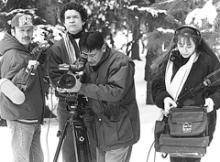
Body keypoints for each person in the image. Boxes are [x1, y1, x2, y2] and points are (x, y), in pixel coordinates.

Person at [151, 25, 220, 162]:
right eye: (181, 45)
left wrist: (213, 100)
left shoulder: (208, 61)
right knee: (175, 155)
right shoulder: (169, 60)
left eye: (189, 45)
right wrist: (164, 98)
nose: (184, 49)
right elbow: (157, 85)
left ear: (197, 43)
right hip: (173, 121)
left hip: (198, 123)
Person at [75, 31, 140, 162]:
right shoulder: (89, 63)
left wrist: (81, 88)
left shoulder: (121, 62)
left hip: (119, 129)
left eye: (93, 55)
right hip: (100, 129)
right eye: (85, 55)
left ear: (103, 48)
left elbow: (116, 92)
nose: (89, 59)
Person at [47, 2, 90, 162]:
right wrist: (70, 85)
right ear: (64, 22)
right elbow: (54, 75)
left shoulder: (95, 43)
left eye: (75, 17)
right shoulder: (57, 48)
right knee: (69, 149)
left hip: (91, 103)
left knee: (92, 148)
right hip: (67, 105)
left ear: (83, 20)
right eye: (68, 17)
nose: (72, 20)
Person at [0, 13, 46, 162]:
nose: (26, 34)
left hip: (32, 116)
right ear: (13, 32)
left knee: (36, 159)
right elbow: (10, 87)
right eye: (21, 30)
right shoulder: (13, 54)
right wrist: (28, 71)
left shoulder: (25, 51)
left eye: (29, 30)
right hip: (21, 118)